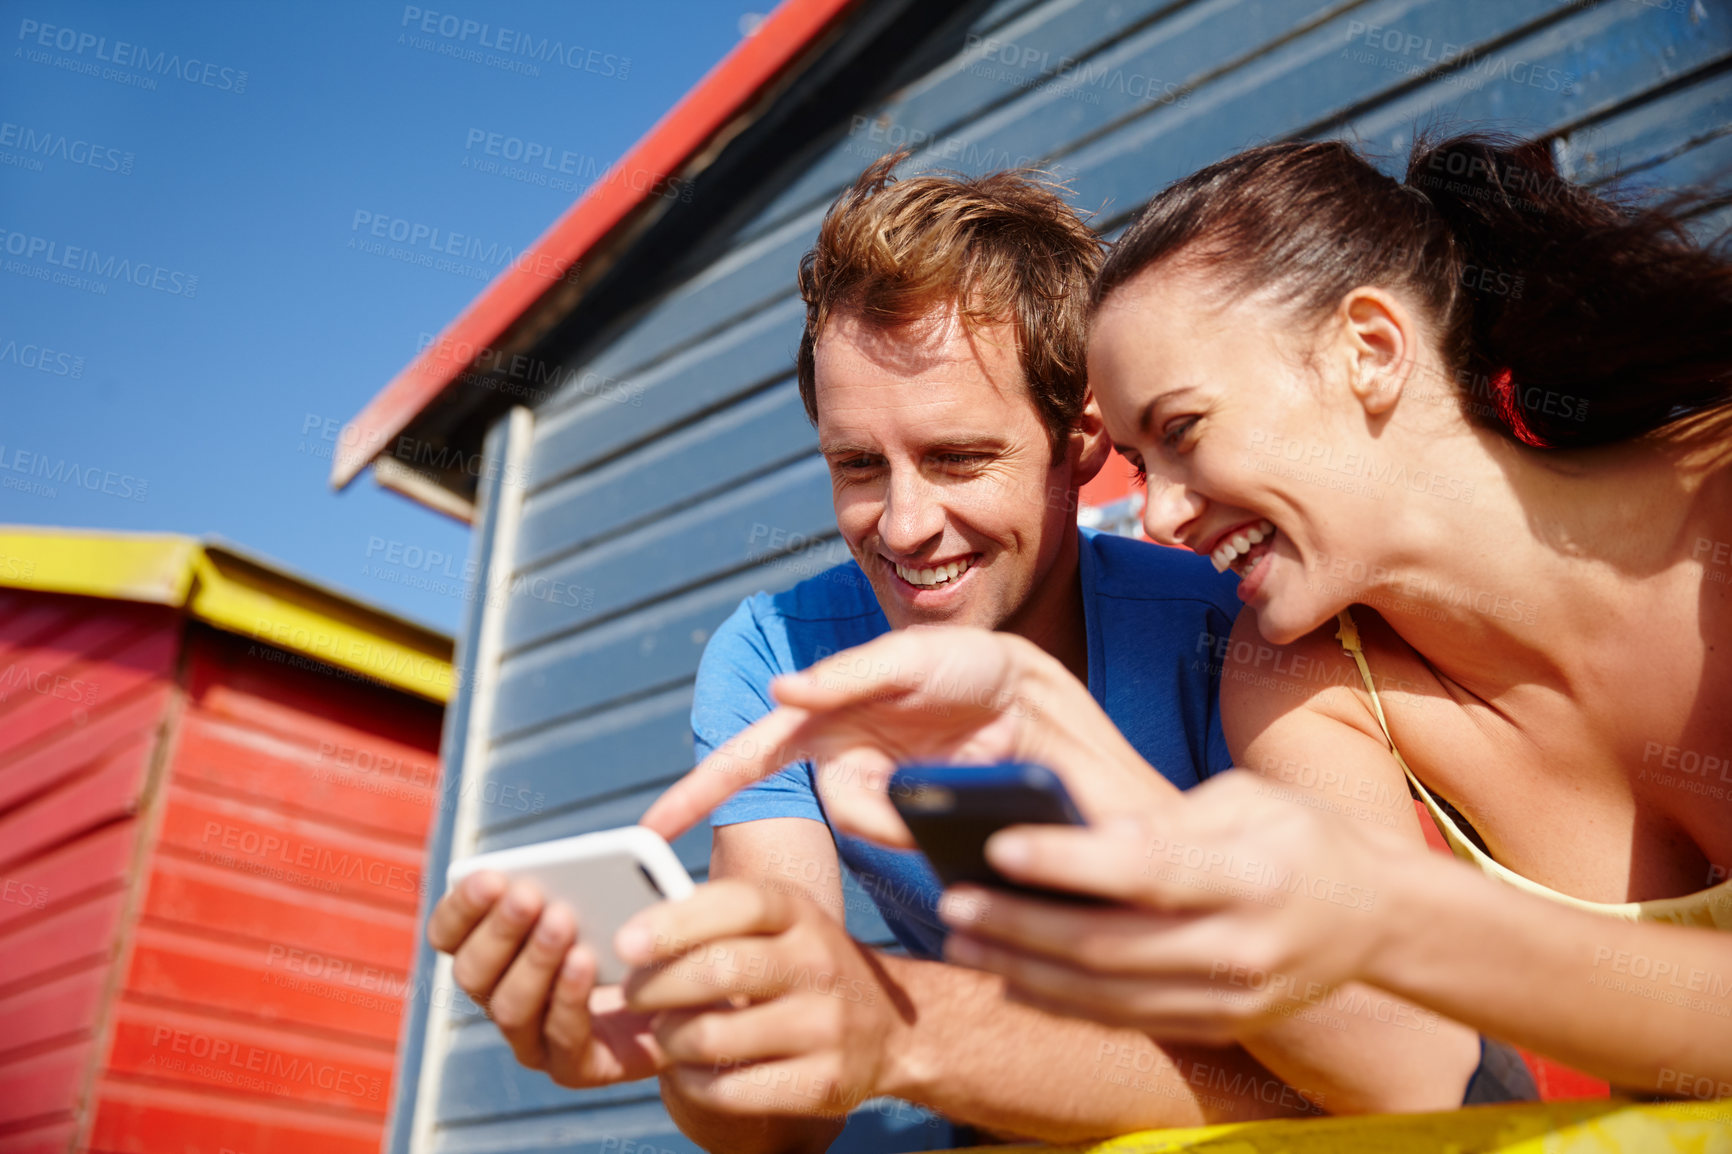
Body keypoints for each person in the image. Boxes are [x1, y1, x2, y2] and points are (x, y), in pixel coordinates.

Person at [427, 157, 1492, 1154]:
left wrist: (896, 1025)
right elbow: (784, 1092)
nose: (902, 524)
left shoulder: (1234, 616)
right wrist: (687, 1045)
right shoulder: (776, 654)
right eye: (856, 464)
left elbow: (1375, 1069)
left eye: (957, 457)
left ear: (1080, 444)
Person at [643, 133, 1732, 1096]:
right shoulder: (1300, 670)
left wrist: (1389, 910)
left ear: (1369, 348)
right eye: (1141, 454)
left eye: (1183, 428)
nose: (1154, 513)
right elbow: (1423, 1077)